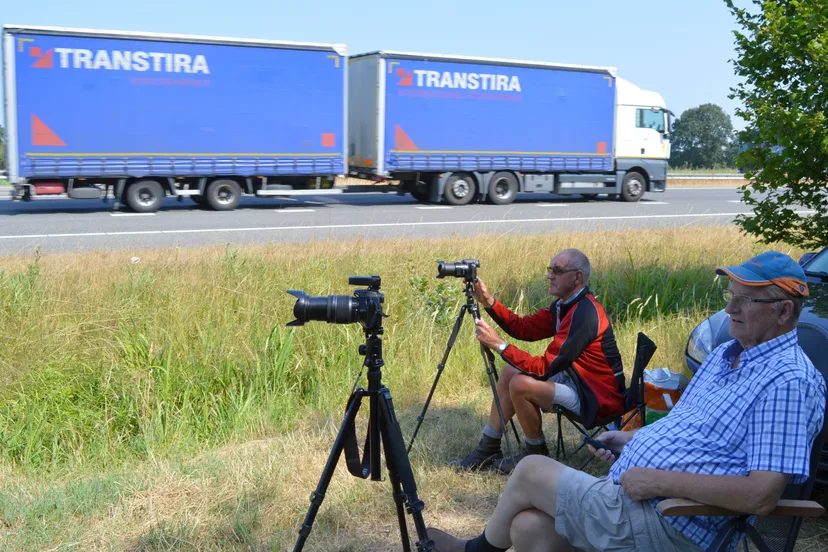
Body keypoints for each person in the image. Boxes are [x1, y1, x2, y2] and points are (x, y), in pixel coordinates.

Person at [428, 250, 825, 552]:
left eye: (744, 301)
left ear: (783, 311)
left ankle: (474, 549)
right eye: (731, 295)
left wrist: (657, 478)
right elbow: (691, 429)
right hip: (636, 494)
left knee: (531, 470)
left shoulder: (788, 381)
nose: (729, 309)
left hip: (671, 518)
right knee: (528, 530)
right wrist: (632, 443)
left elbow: (762, 494)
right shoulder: (726, 354)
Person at [451, 248, 625, 473]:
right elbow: (525, 329)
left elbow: (545, 367)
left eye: (557, 270)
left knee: (520, 384)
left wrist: (499, 345)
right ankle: (489, 447)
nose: (549, 275)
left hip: (596, 396)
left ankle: (536, 453)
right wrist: (489, 302)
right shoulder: (565, 305)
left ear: (577, 277)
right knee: (509, 374)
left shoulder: (585, 313)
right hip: (576, 380)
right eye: (549, 269)